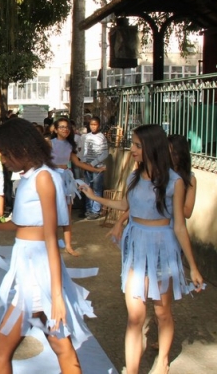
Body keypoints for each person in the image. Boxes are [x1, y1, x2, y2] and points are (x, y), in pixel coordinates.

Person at [80, 124, 203, 374]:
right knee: (135, 316)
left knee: (162, 312)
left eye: (137, 145)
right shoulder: (134, 176)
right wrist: (94, 197)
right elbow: (127, 203)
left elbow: (180, 225)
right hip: (136, 247)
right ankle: (132, 369)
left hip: (163, 248)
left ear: (151, 147)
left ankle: (163, 361)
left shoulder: (176, 182)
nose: (132, 150)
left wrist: (194, 268)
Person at [0, 118, 95, 374]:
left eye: (7, 154)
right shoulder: (31, 176)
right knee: (61, 346)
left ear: (21, 150)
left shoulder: (44, 177)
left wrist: (56, 296)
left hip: (37, 277)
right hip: (30, 273)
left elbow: (50, 237)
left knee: (1, 352)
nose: (5, 159)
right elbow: (24, 223)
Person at [50, 117, 105, 256]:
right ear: (55, 129)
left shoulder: (70, 146)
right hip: (52, 177)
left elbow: (78, 163)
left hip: (66, 178)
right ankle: (51, 244)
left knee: (67, 213)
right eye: (61, 127)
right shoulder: (49, 143)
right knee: (52, 213)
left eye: (67, 127)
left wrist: (96, 170)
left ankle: (68, 245)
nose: (65, 129)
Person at [80, 116, 109, 219]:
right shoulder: (86, 137)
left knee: (97, 189)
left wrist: (94, 162)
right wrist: (83, 163)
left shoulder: (102, 137)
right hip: (87, 166)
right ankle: (88, 209)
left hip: (98, 167)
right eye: (91, 124)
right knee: (87, 187)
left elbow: (105, 153)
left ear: (99, 125)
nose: (93, 127)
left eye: (95, 124)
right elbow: (84, 151)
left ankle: (95, 210)